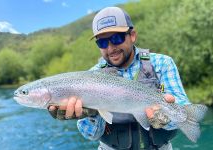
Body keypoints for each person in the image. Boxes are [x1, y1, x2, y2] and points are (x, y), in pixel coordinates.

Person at [48, 7, 190, 150]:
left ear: (132, 35)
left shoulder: (162, 63)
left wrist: (166, 119)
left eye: (116, 38)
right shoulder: (90, 78)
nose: (110, 48)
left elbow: (184, 113)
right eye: (102, 43)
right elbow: (91, 135)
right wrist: (92, 114)